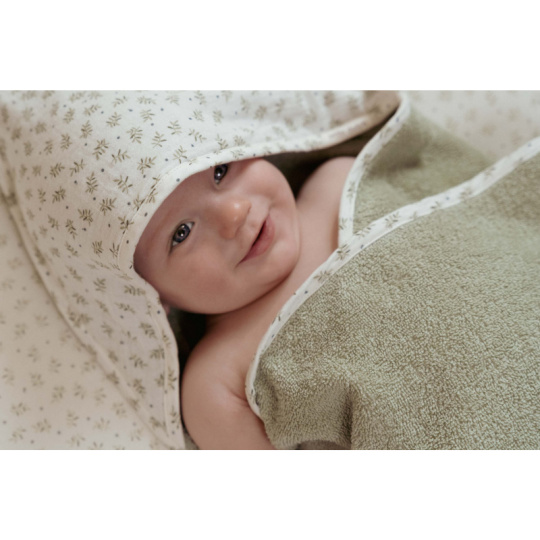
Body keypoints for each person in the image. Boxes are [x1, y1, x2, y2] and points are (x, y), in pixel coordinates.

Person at [134, 156, 355, 449]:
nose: (235, 212)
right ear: (147, 296)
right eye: (182, 233)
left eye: (220, 171)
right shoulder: (215, 385)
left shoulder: (338, 181)